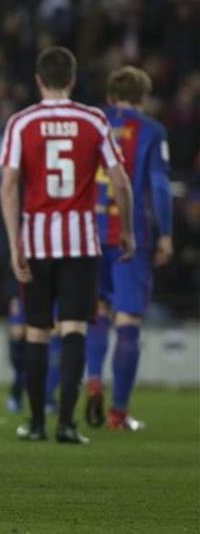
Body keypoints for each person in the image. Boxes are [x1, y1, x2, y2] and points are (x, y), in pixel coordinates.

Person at [0, 46, 135, 444]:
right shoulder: (93, 119)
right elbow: (120, 182)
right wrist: (126, 230)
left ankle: (38, 423)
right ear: (72, 80)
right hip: (81, 242)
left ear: (38, 80)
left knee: (38, 332)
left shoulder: (21, 122)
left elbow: (8, 186)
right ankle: (68, 425)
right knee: (75, 328)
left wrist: (12, 242)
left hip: (37, 241)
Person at [85, 66, 173, 431]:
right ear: (143, 97)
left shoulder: (92, 123)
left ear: (110, 95)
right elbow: (160, 185)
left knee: (96, 313)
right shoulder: (151, 130)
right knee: (128, 322)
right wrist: (165, 233)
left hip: (89, 231)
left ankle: (92, 379)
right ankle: (119, 413)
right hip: (128, 234)